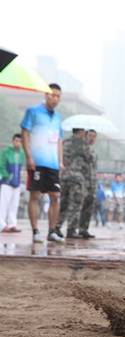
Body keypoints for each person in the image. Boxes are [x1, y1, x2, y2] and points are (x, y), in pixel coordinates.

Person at [20, 83, 64, 243]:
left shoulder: (58, 117)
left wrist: (61, 161)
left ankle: (52, 231)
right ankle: (35, 231)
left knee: (55, 196)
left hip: (52, 164)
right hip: (37, 161)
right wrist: (29, 157)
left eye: (58, 96)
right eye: (52, 94)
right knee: (35, 195)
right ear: (46, 95)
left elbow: (59, 140)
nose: (55, 98)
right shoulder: (33, 111)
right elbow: (24, 133)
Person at [55, 128, 90, 239]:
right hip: (76, 178)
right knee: (75, 204)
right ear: (80, 132)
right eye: (84, 132)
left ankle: (56, 226)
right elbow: (88, 159)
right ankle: (71, 229)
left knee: (63, 203)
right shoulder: (83, 144)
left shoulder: (64, 142)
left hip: (64, 176)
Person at [0, 134, 25, 232]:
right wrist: (6, 176)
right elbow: (1, 165)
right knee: (3, 204)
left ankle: (12, 224)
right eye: (16, 141)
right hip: (7, 182)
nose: (17, 143)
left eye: (20, 141)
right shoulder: (6, 152)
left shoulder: (22, 153)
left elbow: (20, 167)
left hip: (17, 182)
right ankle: (2, 225)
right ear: (12, 141)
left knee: (14, 205)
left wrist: (18, 179)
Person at [78, 129, 98, 238]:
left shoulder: (94, 151)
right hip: (83, 182)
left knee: (89, 207)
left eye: (94, 136)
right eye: (90, 135)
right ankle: (75, 228)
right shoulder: (82, 149)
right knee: (79, 206)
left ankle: (84, 228)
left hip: (92, 182)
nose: (92, 138)